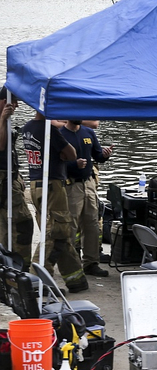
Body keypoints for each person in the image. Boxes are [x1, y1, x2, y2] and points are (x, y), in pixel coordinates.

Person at [22, 112, 89, 293]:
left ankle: (76, 280)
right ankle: (37, 280)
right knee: (57, 230)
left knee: (61, 232)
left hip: (35, 183)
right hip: (52, 184)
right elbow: (72, 154)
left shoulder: (27, 128)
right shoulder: (49, 130)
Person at [60, 120, 112, 277]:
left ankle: (91, 263)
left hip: (89, 184)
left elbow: (97, 156)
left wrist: (104, 155)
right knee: (71, 226)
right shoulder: (60, 134)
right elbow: (54, 163)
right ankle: (70, 266)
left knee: (92, 224)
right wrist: (73, 165)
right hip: (71, 185)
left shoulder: (88, 133)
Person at [0, 87, 34, 271]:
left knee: (6, 228)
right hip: (4, 181)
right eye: (13, 101)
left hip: (11, 177)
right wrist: (3, 119)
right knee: (23, 224)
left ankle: (8, 268)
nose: (17, 105)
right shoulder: (2, 119)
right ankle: (22, 269)